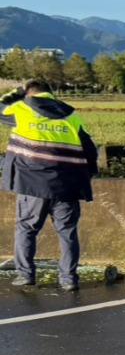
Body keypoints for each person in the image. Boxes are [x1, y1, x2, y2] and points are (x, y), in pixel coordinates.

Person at [0, 80, 98, 291]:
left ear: (29, 93)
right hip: (67, 185)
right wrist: (85, 176)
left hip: (32, 184)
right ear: (51, 93)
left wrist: (16, 92)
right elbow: (90, 150)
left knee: (26, 228)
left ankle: (26, 275)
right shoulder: (71, 115)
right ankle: (68, 279)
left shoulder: (21, 108)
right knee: (67, 232)